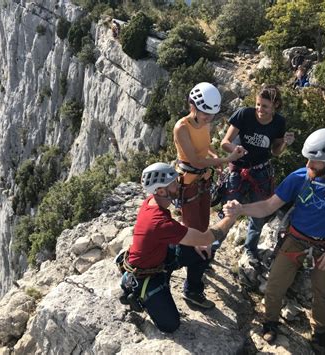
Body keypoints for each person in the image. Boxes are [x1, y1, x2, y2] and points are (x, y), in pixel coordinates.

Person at [223, 128, 325, 348]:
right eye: (308, 160)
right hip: (296, 239)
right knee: (275, 285)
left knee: (322, 295)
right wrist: (241, 209)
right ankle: (270, 322)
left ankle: (320, 332)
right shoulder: (300, 177)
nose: (308, 165)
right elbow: (268, 206)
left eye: (314, 162)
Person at [119, 162, 238, 333]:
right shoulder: (159, 221)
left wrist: (193, 241)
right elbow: (206, 236)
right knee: (170, 325)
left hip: (160, 257)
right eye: (173, 183)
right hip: (146, 274)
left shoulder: (152, 202)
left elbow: (178, 232)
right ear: (161, 191)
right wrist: (230, 218)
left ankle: (192, 291)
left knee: (202, 251)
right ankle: (140, 293)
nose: (178, 185)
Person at [220, 85, 295, 267]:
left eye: (265, 106)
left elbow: (275, 151)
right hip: (238, 170)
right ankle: (212, 247)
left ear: (275, 106)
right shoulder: (244, 114)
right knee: (230, 211)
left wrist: (284, 143)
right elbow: (225, 143)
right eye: (258, 105)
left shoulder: (278, 122)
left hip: (261, 171)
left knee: (258, 216)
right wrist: (235, 149)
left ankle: (250, 250)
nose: (260, 110)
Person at [173, 82, 245, 259]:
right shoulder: (181, 128)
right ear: (193, 106)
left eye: (212, 115)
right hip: (189, 181)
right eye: (206, 114)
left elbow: (205, 146)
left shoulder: (204, 123)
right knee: (191, 225)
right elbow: (196, 161)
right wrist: (227, 160)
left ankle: (198, 253)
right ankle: (187, 258)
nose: (209, 118)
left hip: (204, 179)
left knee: (204, 222)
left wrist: (214, 157)